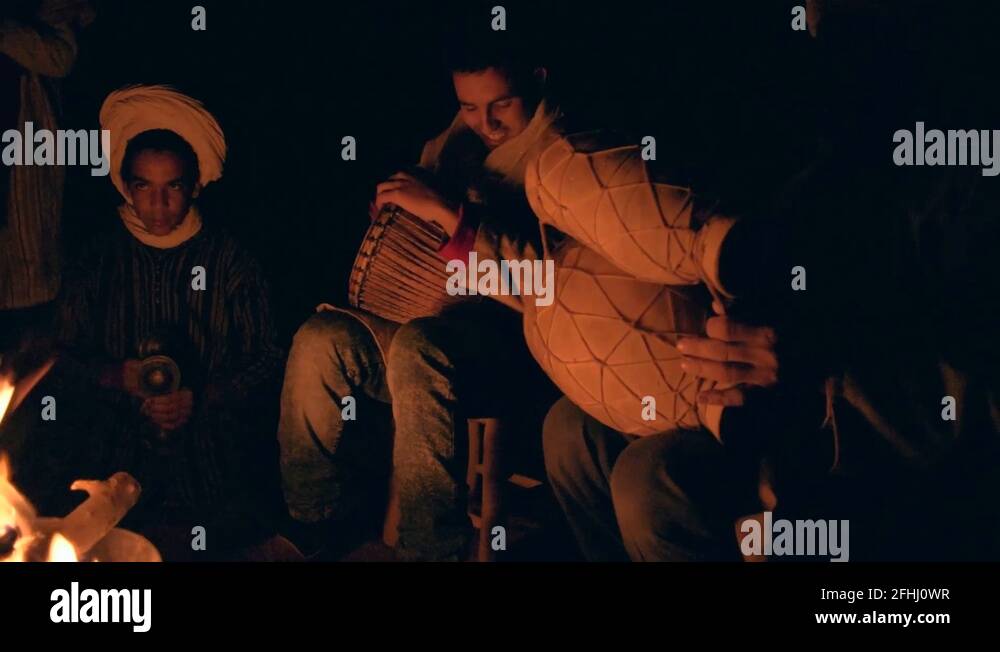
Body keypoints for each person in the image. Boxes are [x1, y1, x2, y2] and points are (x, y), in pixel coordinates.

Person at [278, 32, 561, 560]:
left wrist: (450, 215)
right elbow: (424, 208)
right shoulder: (463, 137)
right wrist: (399, 217)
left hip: (512, 356)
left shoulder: (565, 155)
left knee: (419, 346)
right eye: (469, 106)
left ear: (537, 80)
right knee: (322, 339)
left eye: (501, 103)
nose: (486, 121)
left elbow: (549, 286)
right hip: (428, 334)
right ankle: (314, 519)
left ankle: (432, 548)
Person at [37, 85, 285, 559]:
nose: (158, 203)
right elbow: (60, 355)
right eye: (143, 186)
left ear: (193, 185)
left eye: (172, 186)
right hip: (111, 439)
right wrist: (117, 377)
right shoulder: (98, 258)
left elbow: (267, 357)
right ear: (125, 186)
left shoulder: (229, 259)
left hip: (210, 439)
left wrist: (202, 395)